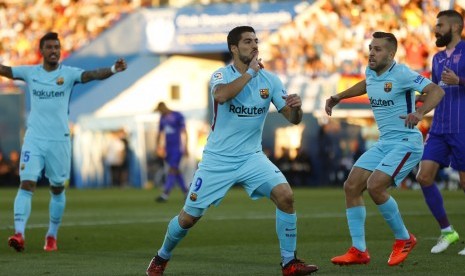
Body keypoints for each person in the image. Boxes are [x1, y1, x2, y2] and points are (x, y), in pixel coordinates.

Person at [146, 26, 318, 276]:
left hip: (252, 158)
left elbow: (292, 119)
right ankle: (161, 257)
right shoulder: (220, 75)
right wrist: (249, 74)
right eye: (248, 41)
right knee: (188, 219)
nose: (255, 45)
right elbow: (222, 96)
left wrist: (297, 108)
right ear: (234, 48)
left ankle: (289, 262)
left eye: (256, 40)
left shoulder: (270, 80)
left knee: (286, 196)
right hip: (218, 160)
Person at [325, 31, 445, 266]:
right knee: (351, 186)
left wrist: (419, 113)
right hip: (385, 142)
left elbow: (437, 91)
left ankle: (404, 238)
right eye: (371, 47)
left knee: (375, 186)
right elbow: (367, 84)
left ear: (391, 54)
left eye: (378, 49)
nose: (371, 52)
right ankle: (359, 250)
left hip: (406, 142)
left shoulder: (401, 73)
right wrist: (339, 96)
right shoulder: (371, 71)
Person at [1, 32, 127, 252]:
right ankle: (19, 234)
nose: (54, 51)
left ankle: (51, 235)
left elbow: (92, 74)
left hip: (59, 140)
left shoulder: (68, 74)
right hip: (34, 139)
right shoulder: (31, 73)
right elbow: (7, 71)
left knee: (57, 189)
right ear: (41, 51)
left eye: (57, 47)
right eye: (49, 47)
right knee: (26, 183)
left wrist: (114, 69)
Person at [415, 9, 465, 256]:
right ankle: (448, 231)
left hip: (462, 126)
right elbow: (435, 91)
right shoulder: (436, 59)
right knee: (424, 177)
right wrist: (417, 104)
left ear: (455, 28)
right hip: (439, 128)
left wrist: (460, 81)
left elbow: (456, 84)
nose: (436, 29)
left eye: (440, 25)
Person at [154, 102, 189, 202]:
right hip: (168, 148)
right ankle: (186, 192)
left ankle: (165, 194)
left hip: (177, 148)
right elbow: (159, 133)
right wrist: (157, 147)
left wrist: (186, 146)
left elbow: (184, 131)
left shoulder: (177, 115)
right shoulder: (162, 118)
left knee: (172, 169)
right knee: (176, 171)